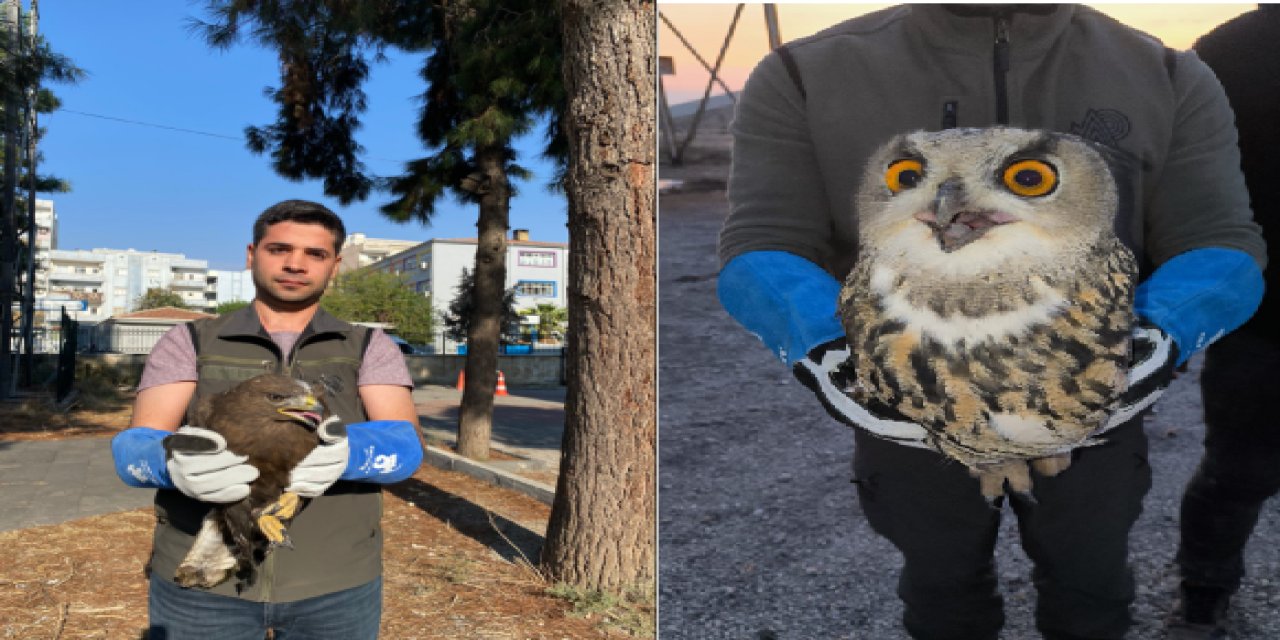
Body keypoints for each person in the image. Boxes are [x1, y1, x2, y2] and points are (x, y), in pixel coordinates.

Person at [717, 5, 1266, 640]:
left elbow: (1220, 240)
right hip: (907, 396)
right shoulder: (806, 71)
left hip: (1091, 396)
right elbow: (763, 239)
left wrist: (1156, 336)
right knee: (941, 583)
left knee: (1091, 583)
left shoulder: (1164, 72)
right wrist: (828, 349)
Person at [109, 199, 424, 639]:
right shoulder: (189, 340)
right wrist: (170, 464)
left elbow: (406, 445)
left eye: (315, 254)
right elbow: (136, 444)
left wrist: (354, 454)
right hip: (202, 586)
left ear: (334, 266)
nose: (296, 264)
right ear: (251, 254)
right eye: (279, 249)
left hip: (336, 581)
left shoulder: (369, 346)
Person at [1167, 7, 1280, 638]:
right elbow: (1180, 179)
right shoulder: (1230, 51)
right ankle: (1203, 593)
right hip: (1262, 316)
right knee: (1239, 473)